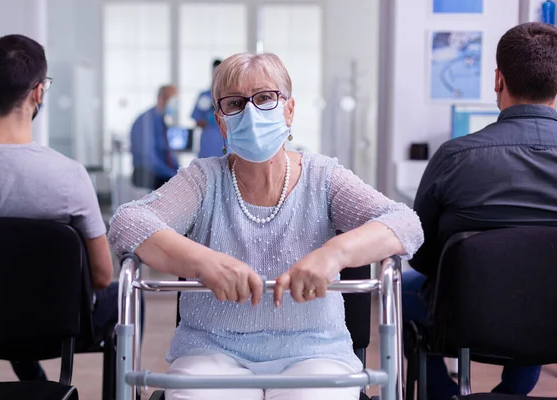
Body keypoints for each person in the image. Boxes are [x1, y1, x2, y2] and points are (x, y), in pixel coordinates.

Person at [109, 52, 424, 400]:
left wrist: (334, 254)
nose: (251, 113)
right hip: (211, 351)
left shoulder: (323, 178)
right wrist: (202, 262)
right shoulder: (204, 180)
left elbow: (405, 223)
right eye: (234, 103)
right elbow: (128, 221)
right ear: (220, 122)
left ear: (289, 109)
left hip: (315, 351)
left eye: (264, 98)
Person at [404, 22, 557, 400]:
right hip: (552, 316)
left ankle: (442, 393)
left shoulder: (456, 157)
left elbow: (422, 256)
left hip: (464, 319)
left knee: (404, 288)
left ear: (497, 80)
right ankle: (513, 392)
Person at [0, 34, 119, 381]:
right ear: (39, 92)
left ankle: (34, 382)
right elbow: (102, 276)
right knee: (123, 297)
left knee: (3, 278)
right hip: (55, 328)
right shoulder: (68, 176)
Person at [130, 85, 179, 190]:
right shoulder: (144, 122)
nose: (175, 105)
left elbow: (168, 152)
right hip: (148, 174)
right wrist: (172, 174)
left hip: (161, 172)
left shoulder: (161, 121)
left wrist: (180, 171)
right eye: (173, 100)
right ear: (161, 98)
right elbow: (148, 159)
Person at [191, 59, 223, 158]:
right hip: (208, 146)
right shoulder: (204, 96)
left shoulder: (231, 95)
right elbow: (197, 122)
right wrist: (210, 119)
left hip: (226, 146)